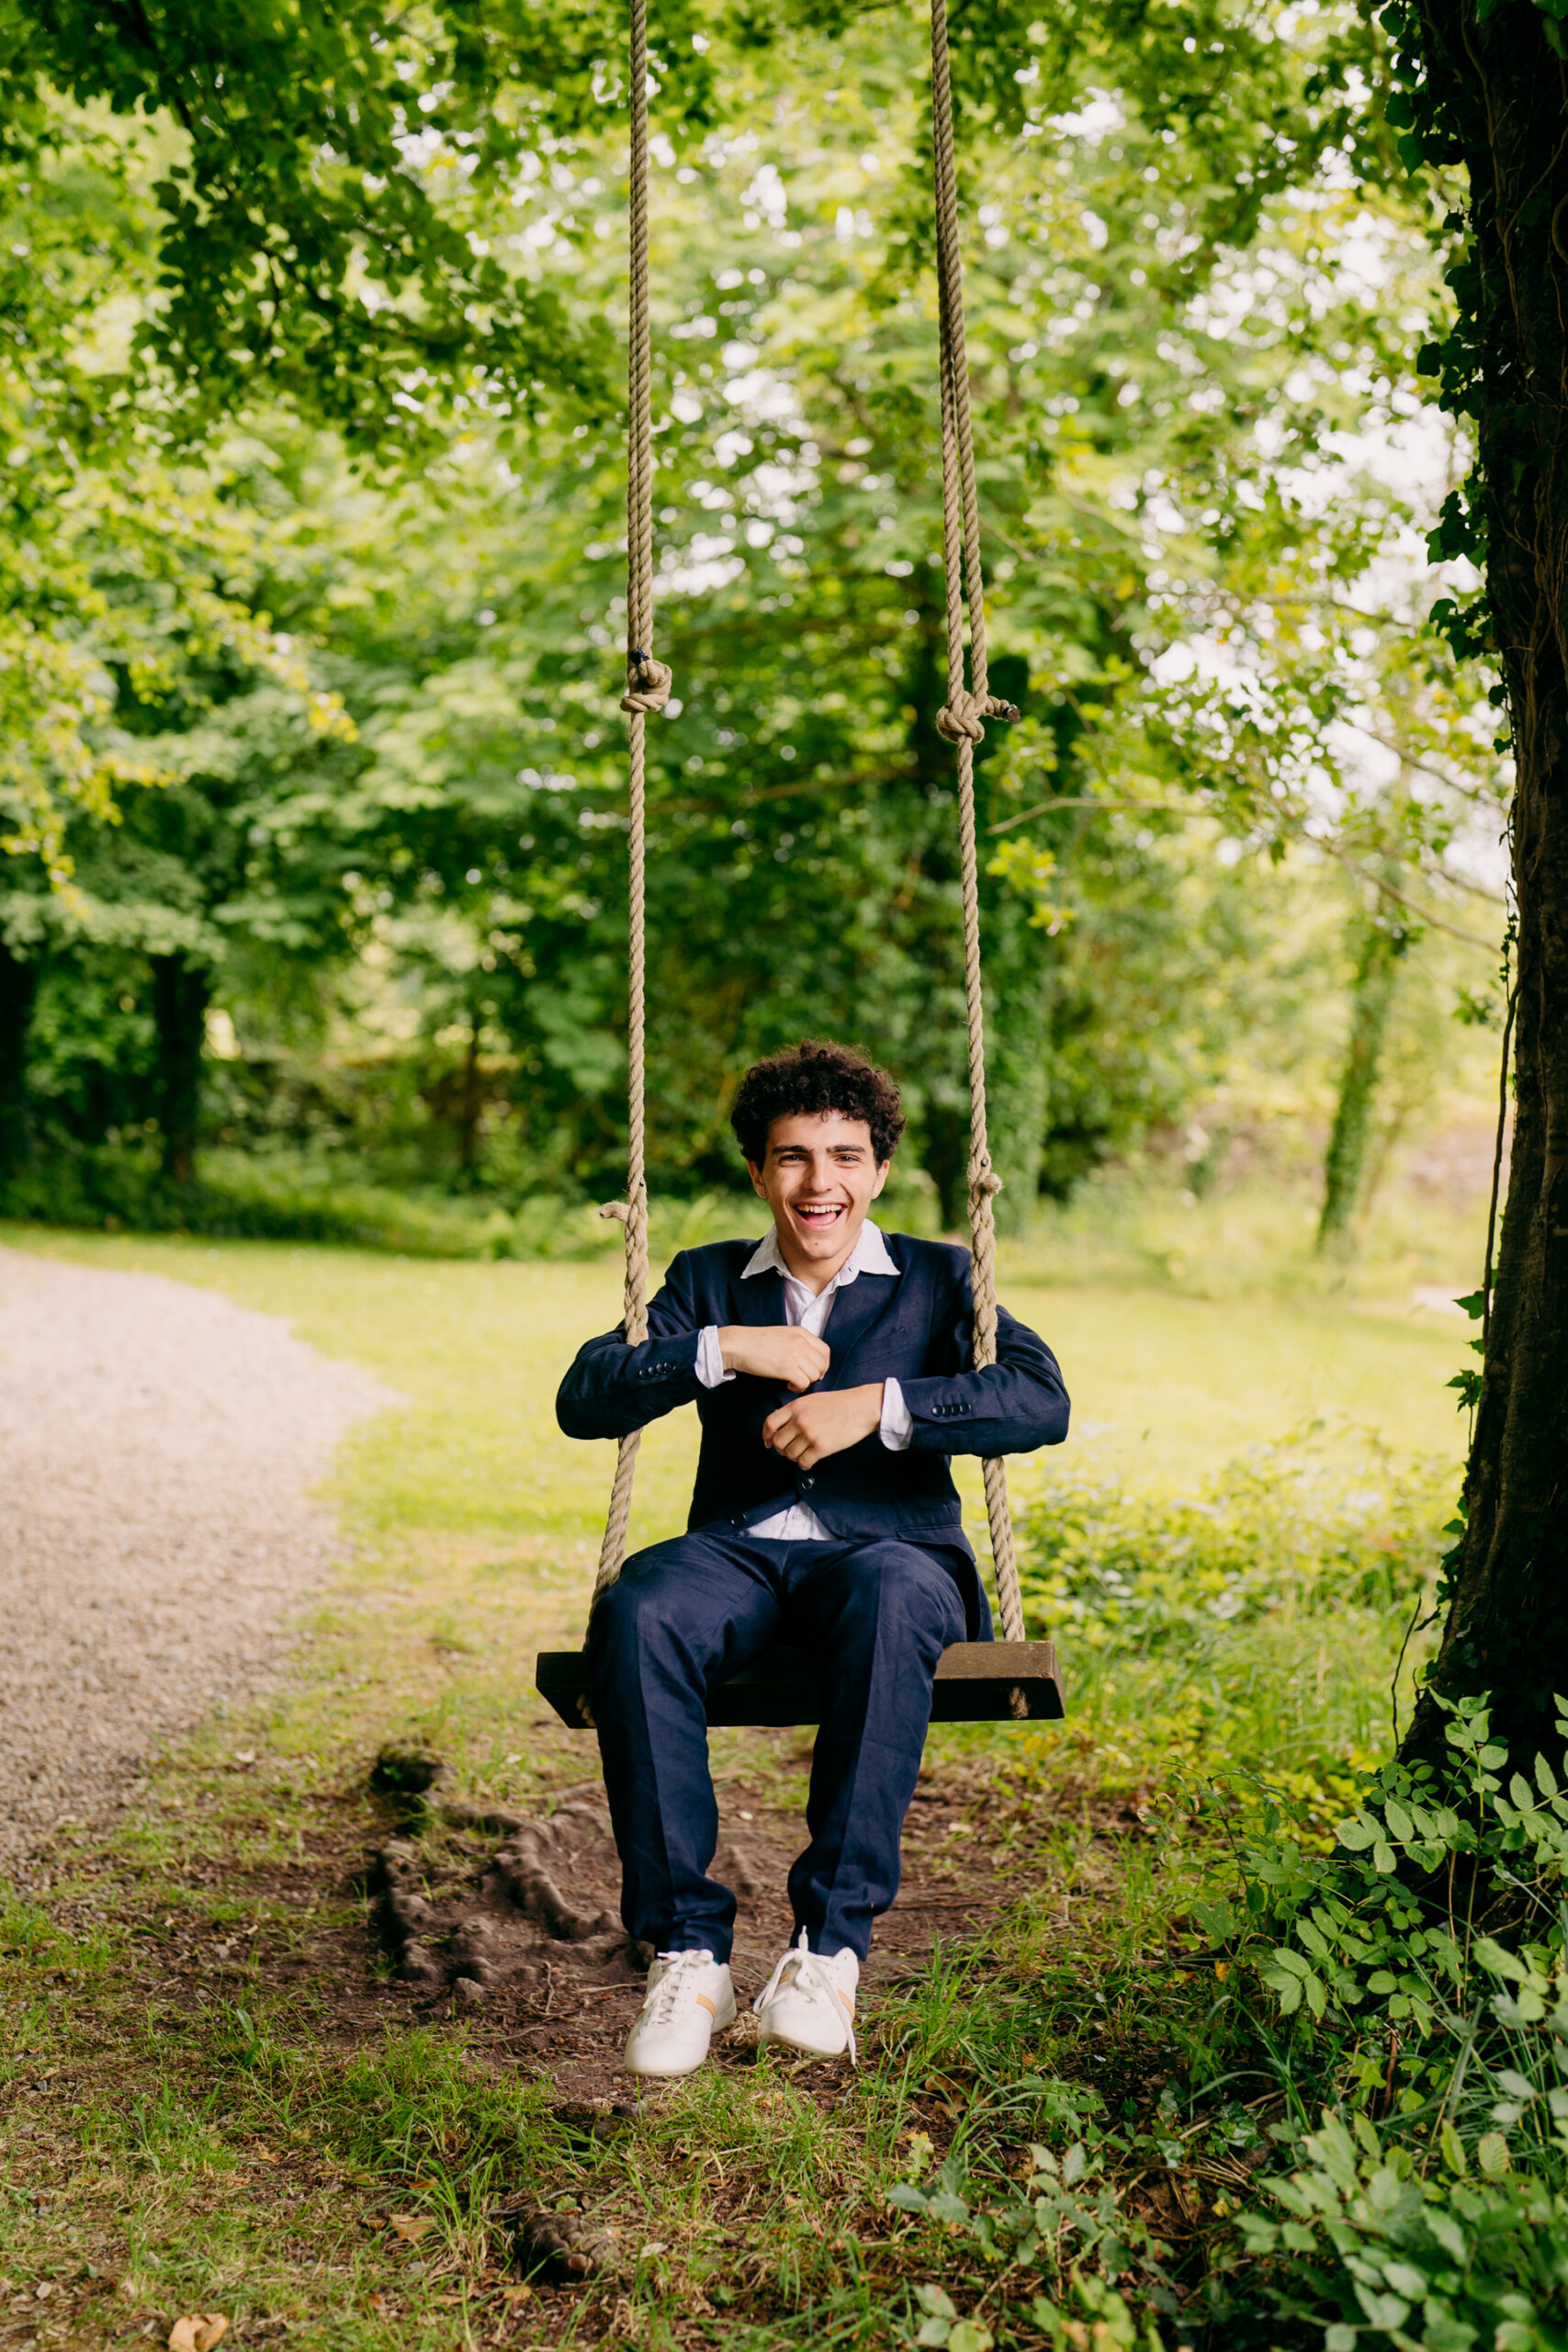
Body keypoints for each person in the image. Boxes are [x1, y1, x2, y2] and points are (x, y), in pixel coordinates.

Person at [556, 1039, 1069, 2077]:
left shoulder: (940, 1278)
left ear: (878, 1169)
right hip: (738, 1557)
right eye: (792, 1157)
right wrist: (723, 1349)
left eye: (844, 1155)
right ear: (759, 1173)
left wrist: (878, 1408)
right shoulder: (709, 1279)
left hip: (892, 1557)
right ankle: (690, 1950)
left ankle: (829, 1949)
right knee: (643, 1604)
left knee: (887, 1595)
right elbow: (585, 1396)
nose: (819, 1182)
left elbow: (1037, 1399)